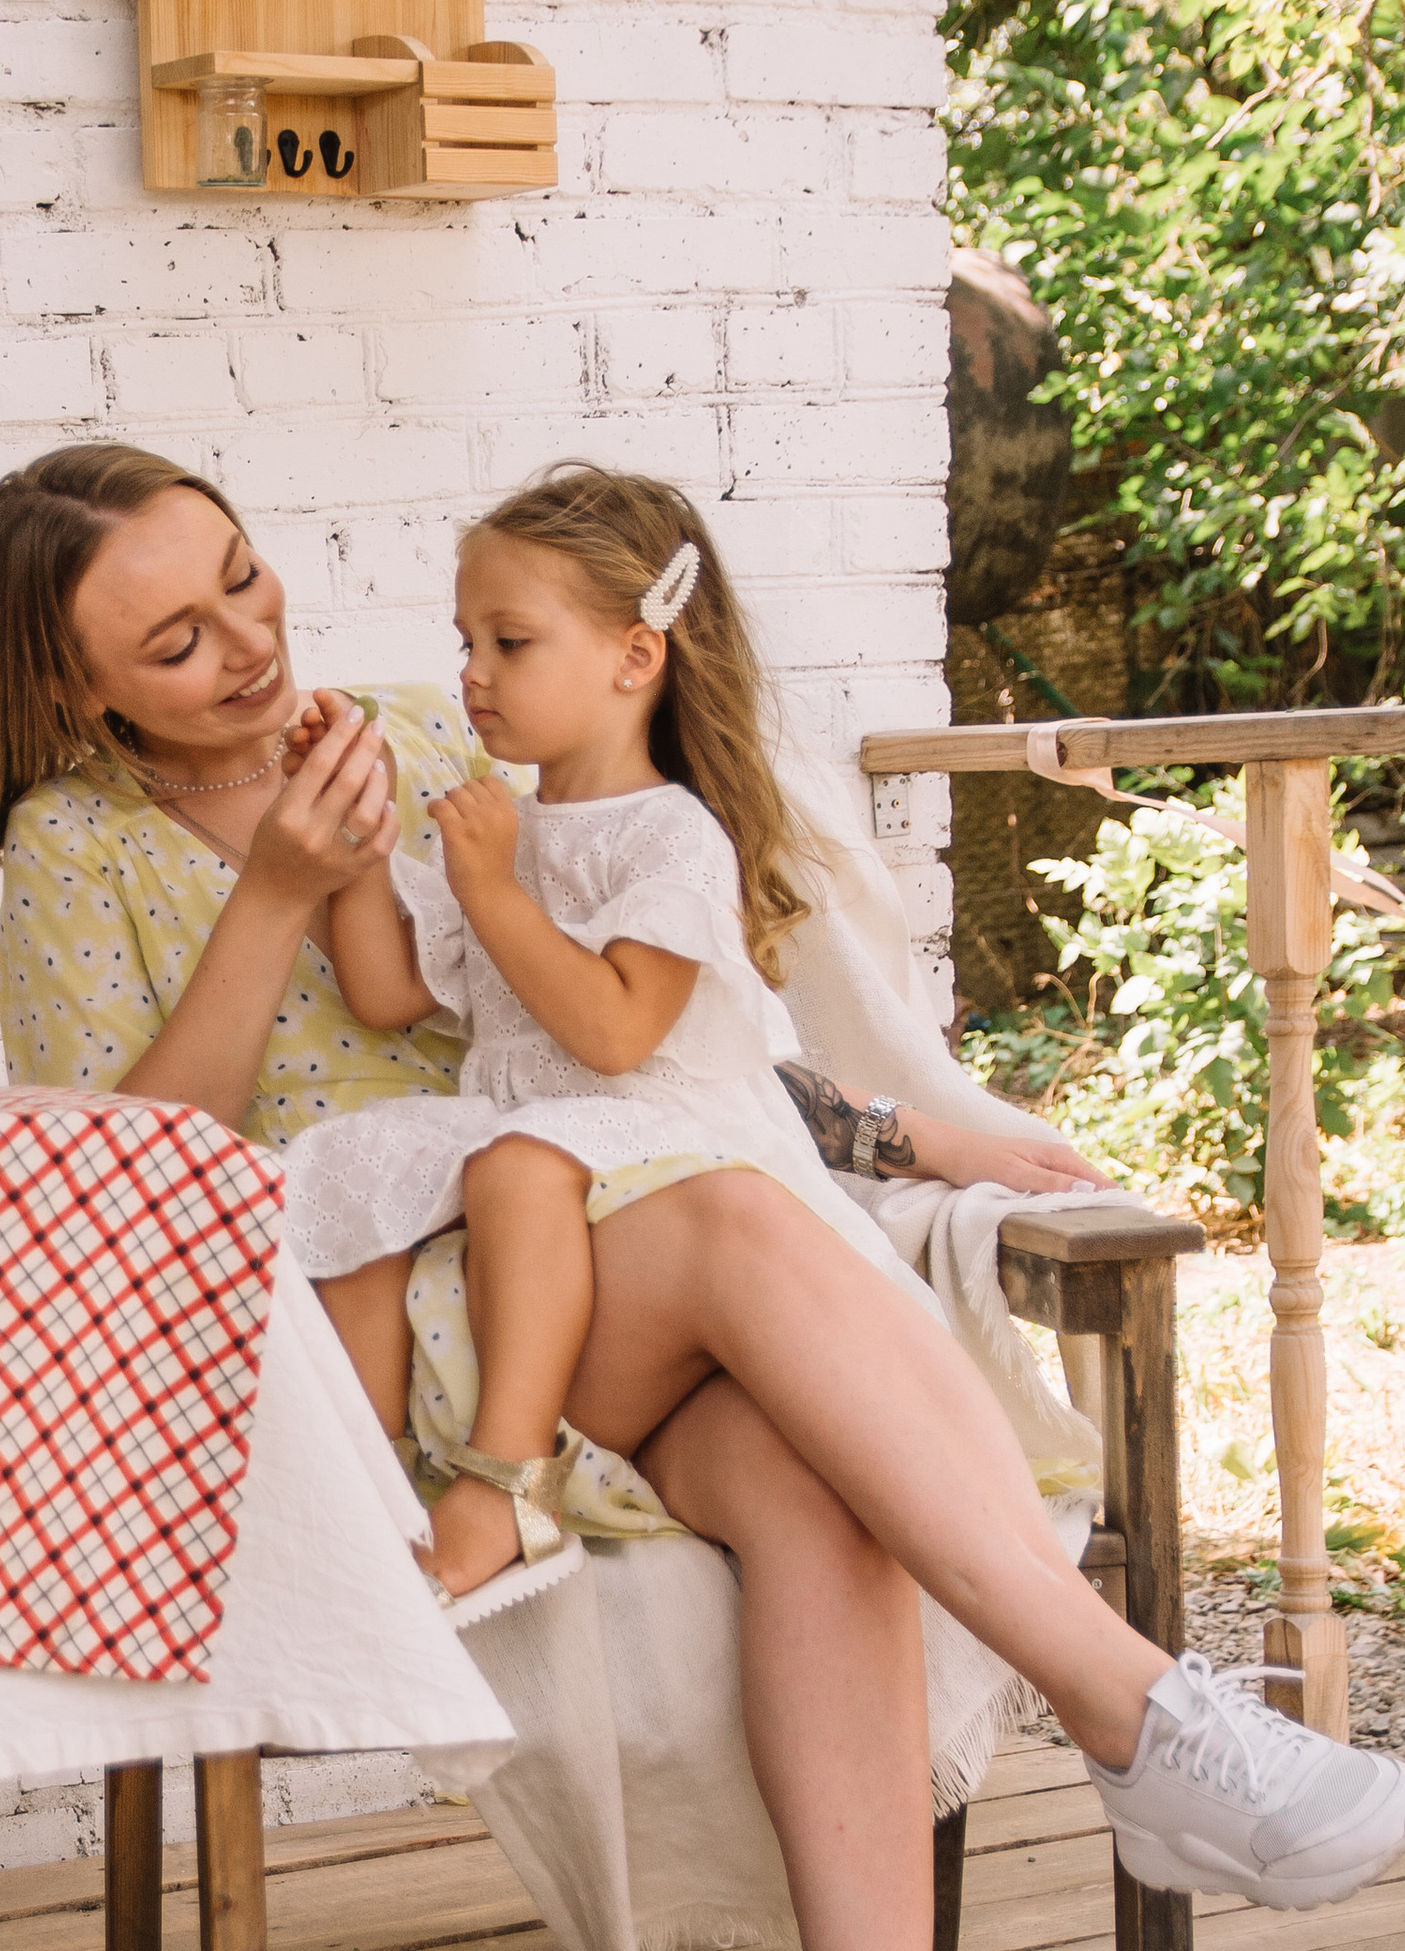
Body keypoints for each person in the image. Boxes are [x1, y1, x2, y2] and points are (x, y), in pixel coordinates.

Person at [0, 440, 1405, 1951]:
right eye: (174, 641)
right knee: (727, 1214)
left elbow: (659, 1017)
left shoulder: (433, 731)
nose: (246, 643)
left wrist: (898, 1134)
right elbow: (114, 1178)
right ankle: (1135, 1715)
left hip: (606, 1262)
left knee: (818, 1487)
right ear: (76, 687)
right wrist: (281, 895)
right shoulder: (76, 852)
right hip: (371, 1323)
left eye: (242, 577)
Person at [288, 465, 937, 1610]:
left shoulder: (671, 834)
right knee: (349, 1164)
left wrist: (493, 890)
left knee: (518, 1166)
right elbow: (386, 993)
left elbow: (614, 1032)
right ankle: (369, 1495)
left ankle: (508, 1481)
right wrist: (356, 840)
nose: (472, 674)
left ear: (635, 658)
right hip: (536, 1124)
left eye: (510, 642)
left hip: (659, 1142)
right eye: (467, 642)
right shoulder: (511, 825)